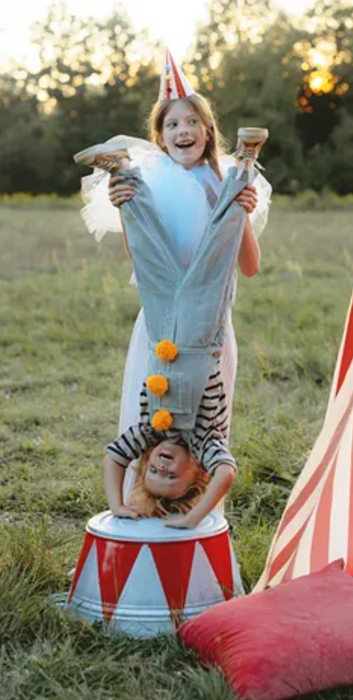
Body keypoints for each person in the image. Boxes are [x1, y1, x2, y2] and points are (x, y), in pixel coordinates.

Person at [78, 49, 271, 502]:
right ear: (160, 137)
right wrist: (127, 208)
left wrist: (237, 212)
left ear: (208, 131)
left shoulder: (219, 185)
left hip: (209, 323)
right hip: (162, 318)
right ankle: (140, 505)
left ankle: (195, 507)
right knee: (151, 413)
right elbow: (141, 262)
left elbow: (250, 266)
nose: (183, 130)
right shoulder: (157, 183)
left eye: (191, 122)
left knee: (206, 419)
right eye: (172, 125)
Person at [103, 363, 235, 529]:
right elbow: (226, 473)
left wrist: (116, 506)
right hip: (200, 352)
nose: (161, 467)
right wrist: (194, 518)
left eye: (153, 470)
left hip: (163, 352)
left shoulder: (149, 433)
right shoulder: (202, 444)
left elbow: (113, 457)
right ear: (200, 472)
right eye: (171, 476)